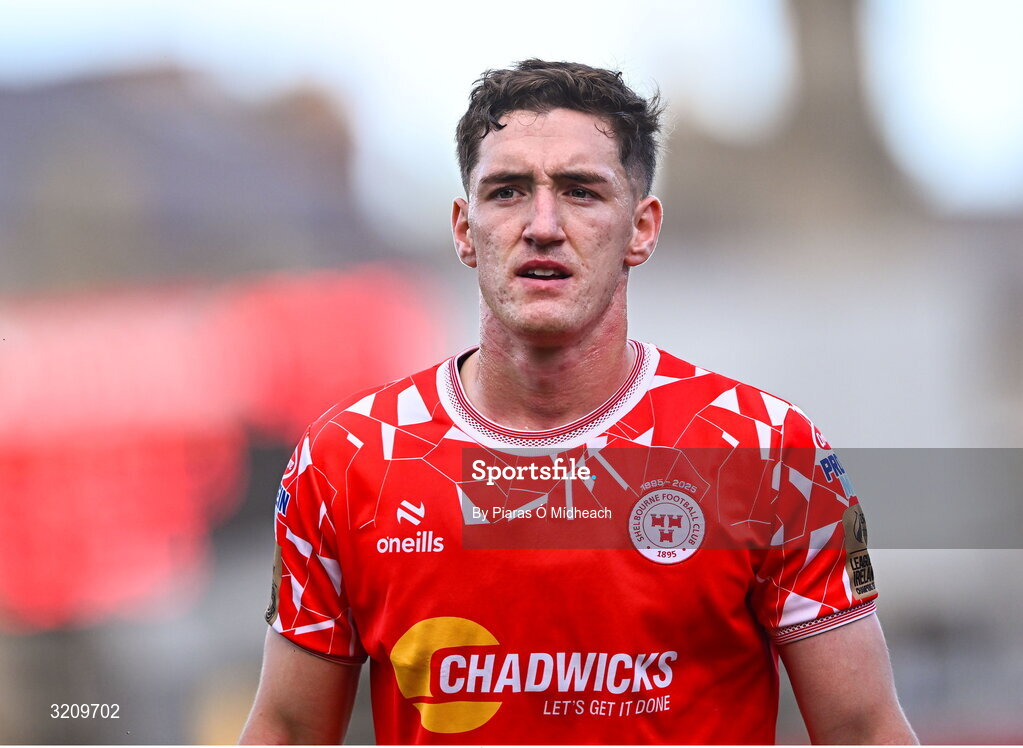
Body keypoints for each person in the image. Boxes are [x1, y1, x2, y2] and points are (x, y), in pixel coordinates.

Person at [240, 59, 917, 744]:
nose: (541, 224)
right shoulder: (344, 460)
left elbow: (861, 730)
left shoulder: (764, 448)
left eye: (580, 191)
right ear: (462, 229)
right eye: (506, 191)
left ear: (642, 228)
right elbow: (289, 731)